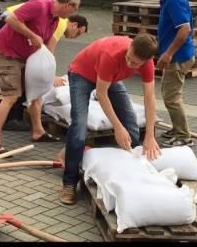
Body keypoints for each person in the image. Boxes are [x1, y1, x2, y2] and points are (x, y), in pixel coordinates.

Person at [59, 33, 162, 205]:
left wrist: (150, 135)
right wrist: (116, 127)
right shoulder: (112, 55)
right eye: (129, 58)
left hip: (109, 77)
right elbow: (101, 93)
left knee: (131, 124)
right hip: (81, 74)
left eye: (135, 63)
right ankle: (69, 183)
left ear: (147, 60)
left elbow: (150, 98)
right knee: (78, 129)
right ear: (129, 47)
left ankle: (135, 172)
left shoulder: (148, 64)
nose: (130, 64)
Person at [0, 0, 80, 156]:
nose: (74, 13)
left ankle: (38, 132)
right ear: (69, 4)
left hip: (26, 57)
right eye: (75, 9)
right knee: (11, 96)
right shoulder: (39, 5)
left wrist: (46, 70)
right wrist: (31, 35)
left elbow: (45, 46)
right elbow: (11, 19)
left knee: (37, 93)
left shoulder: (55, 20)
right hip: (7, 53)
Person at [0, 6, 89, 131]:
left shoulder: (56, 20)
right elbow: (48, 53)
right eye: (78, 33)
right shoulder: (60, 24)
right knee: (21, 78)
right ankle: (11, 119)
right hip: (8, 22)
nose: (75, 37)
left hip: (5, 18)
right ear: (74, 25)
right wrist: (51, 76)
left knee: (26, 75)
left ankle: (15, 117)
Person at [148, 0, 196, 147]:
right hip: (176, 56)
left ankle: (184, 137)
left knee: (172, 98)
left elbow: (185, 30)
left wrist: (168, 53)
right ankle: (177, 129)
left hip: (178, 58)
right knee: (169, 95)